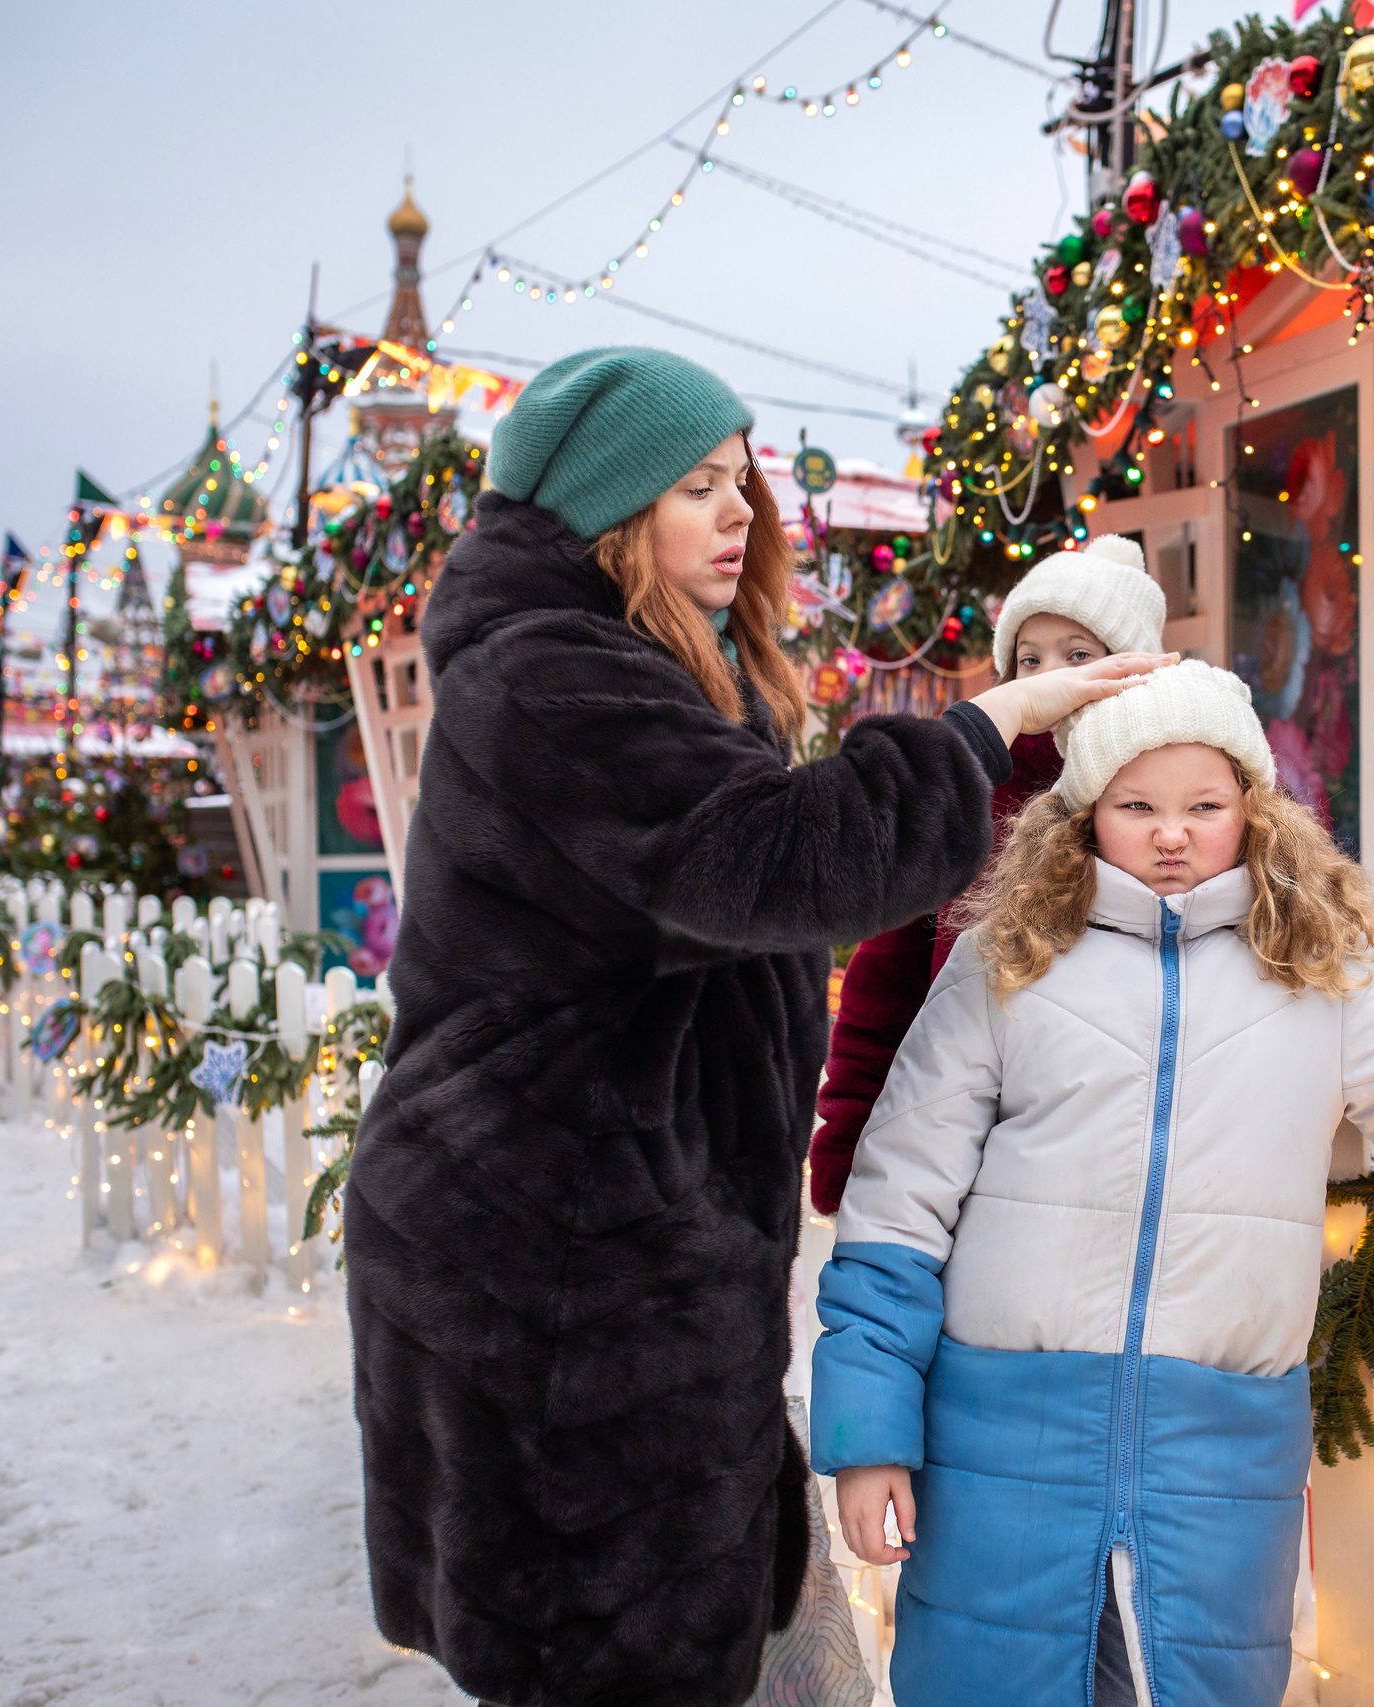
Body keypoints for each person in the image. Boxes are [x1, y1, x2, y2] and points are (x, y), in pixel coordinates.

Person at [341, 346, 1171, 1707]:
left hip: (611, 1242)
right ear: (610, 512)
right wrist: (981, 729)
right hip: (557, 1268)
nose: (738, 514)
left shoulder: (641, 664)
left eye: (741, 482)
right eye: (693, 487)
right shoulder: (550, 677)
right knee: (634, 1653)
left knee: (730, 1633)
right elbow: (768, 862)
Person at [810, 662, 1374, 1707]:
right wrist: (871, 1431)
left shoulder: (1317, 971)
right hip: (1001, 1446)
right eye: (1137, 806)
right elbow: (898, 1202)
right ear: (1082, 815)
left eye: (1204, 805)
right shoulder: (1005, 962)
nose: (1171, 834)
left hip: (1215, 1455)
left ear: (1253, 807)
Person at [810, 532, 1165, 1214]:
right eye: (1028, 658)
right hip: (962, 1155)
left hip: (1116, 1165)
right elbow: (884, 986)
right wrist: (848, 1142)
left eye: (1078, 655)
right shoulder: (969, 802)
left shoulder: (1168, 803)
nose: (1049, 677)